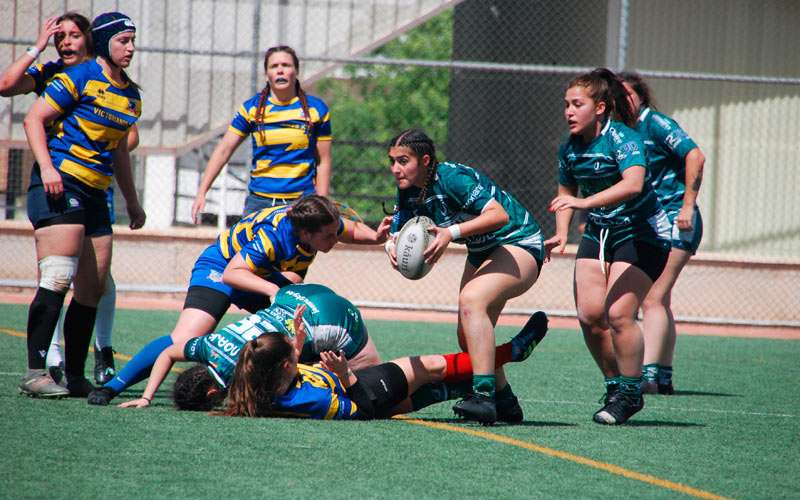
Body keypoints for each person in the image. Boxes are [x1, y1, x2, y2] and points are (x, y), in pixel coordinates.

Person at [88, 195, 387, 405]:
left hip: (258, 274)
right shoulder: (275, 235)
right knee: (187, 336)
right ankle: (113, 387)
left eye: (337, 232)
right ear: (307, 233)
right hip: (221, 269)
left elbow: (350, 230)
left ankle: (299, 391)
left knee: (298, 331)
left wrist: (377, 237)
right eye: (330, 236)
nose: (337, 239)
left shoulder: (318, 222)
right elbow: (233, 273)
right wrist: (273, 293)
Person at [0, 13, 141, 387]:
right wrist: (47, 168)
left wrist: (133, 200)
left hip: (97, 193)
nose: (130, 48)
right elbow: (33, 120)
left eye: (132, 41)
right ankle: (35, 372)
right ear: (105, 42)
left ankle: (76, 375)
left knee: (93, 286)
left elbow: (122, 151)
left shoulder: (131, 94)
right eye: (123, 41)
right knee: (58, 275)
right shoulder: (75, 76)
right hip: (61, 186)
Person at [383, 128, 545, 425]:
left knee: (472, 300)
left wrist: (450, 233)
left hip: (519, 241)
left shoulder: (450, 179)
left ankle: (483, 397)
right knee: (466, 336)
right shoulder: (407, 190)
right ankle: (506, 400)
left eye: (403, 161)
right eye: (392, 161)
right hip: (482, 250)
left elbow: (498, 215)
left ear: (425, 160)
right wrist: (390, 245)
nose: (396, 169)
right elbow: (398, 230)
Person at [545, 68, 671, 425]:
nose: (569, 111)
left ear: (600, 108)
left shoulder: (623, 138)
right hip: (600, 232)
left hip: (642, 232)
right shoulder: (569, 149)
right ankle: (615, 385)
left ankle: (631, 395)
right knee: (589, 316)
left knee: (618, 315)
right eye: (566, 104)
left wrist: (586, 205)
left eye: (577, 104)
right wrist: (561, 232)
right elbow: (566, 192)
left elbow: (633, 184)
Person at [218, 311, 548, 420]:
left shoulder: (259, 385)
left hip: (361, 388)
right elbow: (361, 410)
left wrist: (298, 346)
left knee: (445, 388)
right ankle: (510, 351)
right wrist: (345, 373)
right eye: (292, 353)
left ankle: (506, 404)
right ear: (282, 367)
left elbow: (294, 372)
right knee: (433, 366)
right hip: (369, 390)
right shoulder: (308, 399)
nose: (297, 351)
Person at [116, 283, 380, 409]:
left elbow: (287, 366)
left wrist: (146, 399)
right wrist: (147, 395)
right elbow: (168, 352)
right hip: (293, 294)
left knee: (367, 380)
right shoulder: (209, 347)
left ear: (211, 393)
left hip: (327, 319)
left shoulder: (241, 374)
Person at [620, 72, 705, 395]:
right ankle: (663, 375)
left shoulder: (654, 122)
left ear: (641, 95)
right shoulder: (622, 131)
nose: (623, 100)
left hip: (675, 219)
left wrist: (687, 206)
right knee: (661, 298)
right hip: (651, 222)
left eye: (628, 94)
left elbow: (695, 155)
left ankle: (651, 375)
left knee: (652, 296)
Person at [191, 45, 332, 221]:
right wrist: (202, 192)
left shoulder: (316, 109)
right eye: (274, 66)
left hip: (301, 203)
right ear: (267, 75)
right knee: (251, 249)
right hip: (260, 202)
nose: (280, 70)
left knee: (295, 249)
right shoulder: (252, 109)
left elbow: (323, 161)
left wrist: (322, 202)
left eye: (286, 65)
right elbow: (223, 150)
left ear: (296, 71)